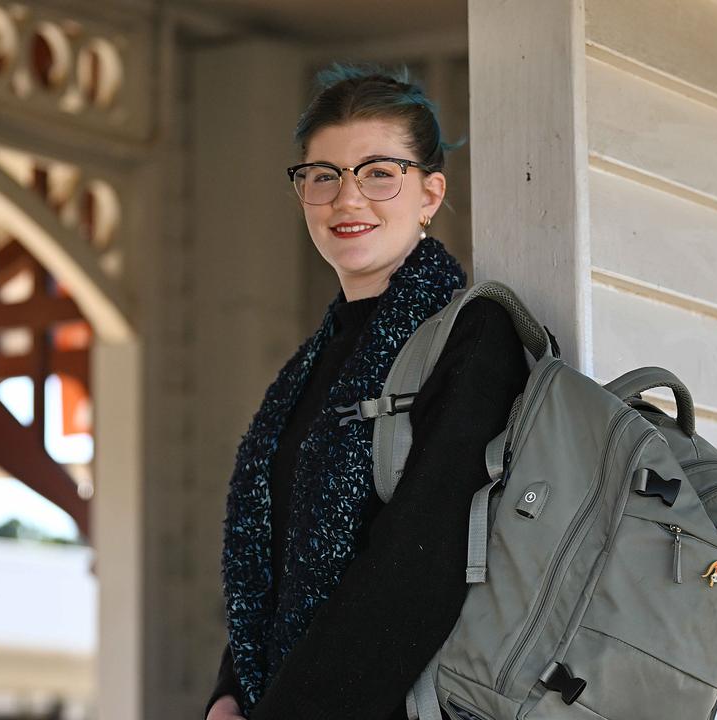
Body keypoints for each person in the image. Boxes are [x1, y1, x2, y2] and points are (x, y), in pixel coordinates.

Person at [206, 64, 529, 720]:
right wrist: (229, 695)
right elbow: (273, 558)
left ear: (430, 193)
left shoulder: (472, 338)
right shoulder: (308, 369)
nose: (347, 200)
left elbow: (423, 565)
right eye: (323, 175)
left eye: (379, 172)